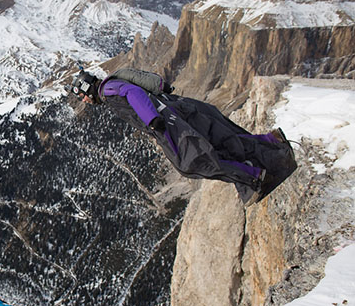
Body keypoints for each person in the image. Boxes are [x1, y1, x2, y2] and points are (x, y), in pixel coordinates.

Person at [68, 67, 297, 205]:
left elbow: (134, 92)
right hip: (180, 109)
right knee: (221, 141)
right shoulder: (113, 82)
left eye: (82, 96)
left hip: (167, 122)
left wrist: (151, 119)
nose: (85, 101)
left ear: (87, 88)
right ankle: (271, 141)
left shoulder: (107, 91)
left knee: (193, 163)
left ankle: (254, 177)